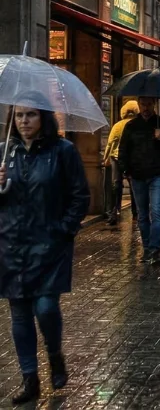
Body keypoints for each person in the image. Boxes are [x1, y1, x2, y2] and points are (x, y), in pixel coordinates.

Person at [0, 99, 91, 403]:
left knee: (46, 308)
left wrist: (64, 229)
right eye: (19, 115)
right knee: (20, 314)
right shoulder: (5, 153)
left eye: (31, 115)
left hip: (50, 245)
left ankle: (55, 354)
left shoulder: (62, 151)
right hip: (12, 244)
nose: (24, 121)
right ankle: (30, 379)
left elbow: (80, 195)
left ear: (43, 118)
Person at [119, 97, 160, 264]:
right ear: (138, 104)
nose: (146, 107)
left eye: (149, 104)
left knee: (157, 213)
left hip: (158, 174)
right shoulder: (131, 126)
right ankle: (146, 248)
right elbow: (123, 149)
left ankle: (154, 249)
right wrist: (126, 170)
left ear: (154, 104)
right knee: (142, 214)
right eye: (143, 104)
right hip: (137, 176)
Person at [102, 100, 139, 225]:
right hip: (131, 158)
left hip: (116, 158)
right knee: (134, 185)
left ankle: (115, 212)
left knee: (116, 185)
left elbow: (110, 143)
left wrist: (105, 158)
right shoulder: (136, 125)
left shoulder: (117, 125)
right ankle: (135, 214)